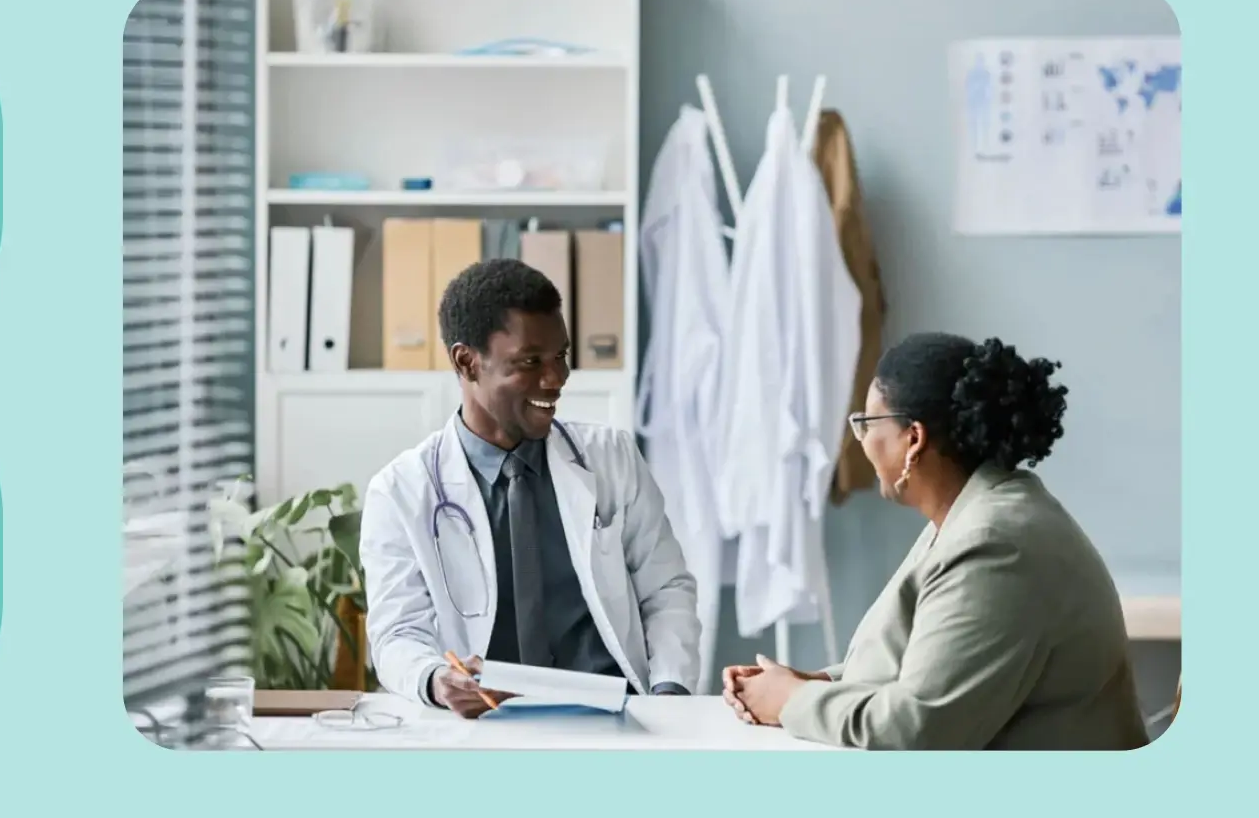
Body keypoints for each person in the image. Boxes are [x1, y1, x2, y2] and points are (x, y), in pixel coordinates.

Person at [723, 332, 1150, 750]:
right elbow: (926, 662)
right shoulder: (977, 514)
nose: (862, 441)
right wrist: (815, 685)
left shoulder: (994, 545)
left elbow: (918, 728)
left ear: (913, 438)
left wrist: (793, 701)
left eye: (866, 423)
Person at [359, 259, 702, 718]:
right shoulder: (400, 491)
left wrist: (669, 694)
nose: (556, 378)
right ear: (467, 362)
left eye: (561, 356)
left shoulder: (612, 457)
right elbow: (396, 634)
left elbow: (666, 589)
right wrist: (437, 679)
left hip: (613, 717)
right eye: (530, 362)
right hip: (484, 723)